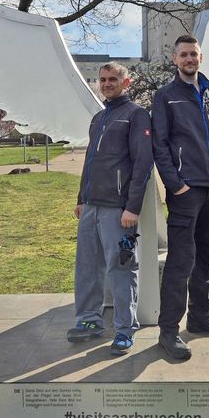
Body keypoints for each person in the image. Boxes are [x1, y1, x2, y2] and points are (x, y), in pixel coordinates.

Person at [151, 35, 209, 360]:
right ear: (175, 59)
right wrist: (176, 185)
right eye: (184, 54)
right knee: (180, 260)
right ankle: (168, 331)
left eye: (194, 54)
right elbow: (160, 145)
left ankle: (200, 317)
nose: (189, 59)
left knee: (208, 254)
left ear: (201, 57)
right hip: (187, 192)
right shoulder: (165, 97)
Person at [67, 62, 153, 356]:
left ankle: (124, 330)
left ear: (125, 82)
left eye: (113, 79)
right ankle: (89, 321)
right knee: (87, 266)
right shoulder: (98, 118)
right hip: (91, 206)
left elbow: (142, 165)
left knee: (122, 267)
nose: (106, 83)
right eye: (103, 79)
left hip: (118, 210)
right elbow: (90, 161)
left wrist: (133, 207)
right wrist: (81, 197)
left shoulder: (137, 116)